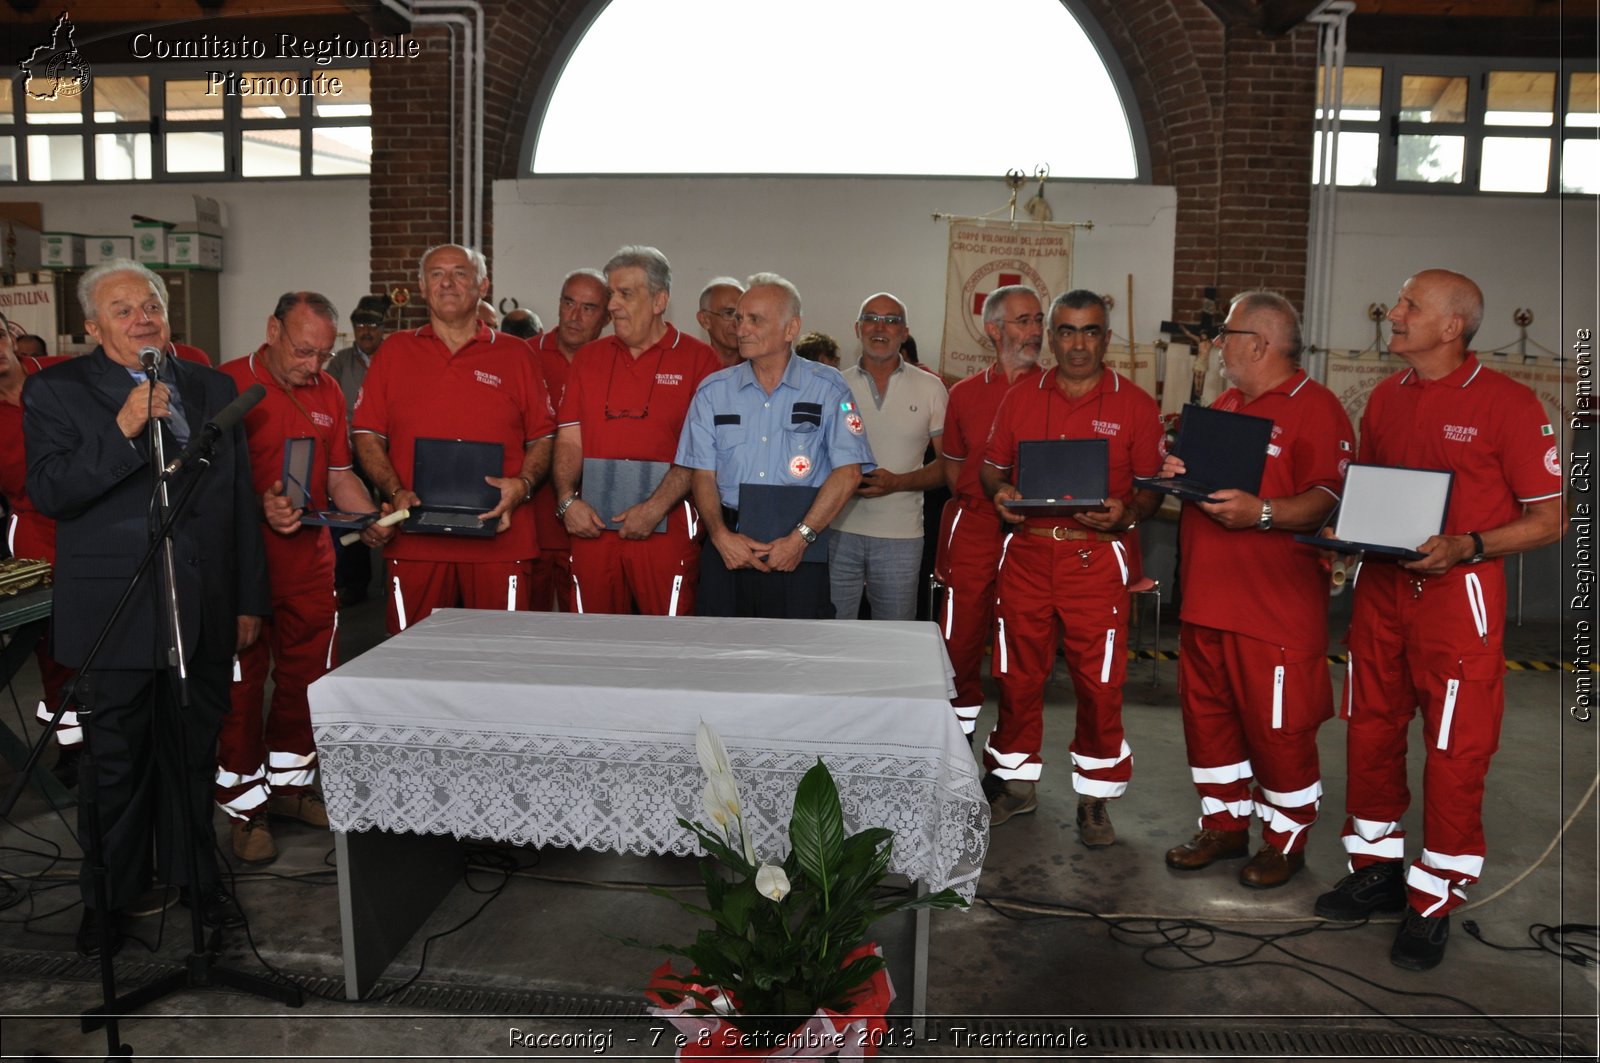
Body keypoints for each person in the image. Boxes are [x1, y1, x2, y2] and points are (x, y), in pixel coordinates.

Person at [1314, 269, 1562, 971]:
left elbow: (1550, 519)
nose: (1392, 313)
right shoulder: (1387, 398)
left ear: (1452, 326)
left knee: (1456, 749)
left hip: (1460, 599)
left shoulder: (1510, 405)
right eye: (1398, 302)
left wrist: (1469, 546)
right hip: (1383, 592)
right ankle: (1377, 867)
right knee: (1370, 729)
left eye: (1409, 306)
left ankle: (1432, 899)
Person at [23, 260, 270, 958]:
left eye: (152, 304)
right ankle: (109, 899)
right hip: (116, 607)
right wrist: (123, 427)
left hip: (204, 608)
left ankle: (198, 883)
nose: (142, 317)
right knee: (115, 765)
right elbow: (51, 491)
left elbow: (237, 502)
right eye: (123, 308)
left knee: (192, 757)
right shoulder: (57, 391)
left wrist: (249, 596)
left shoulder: (211, 386)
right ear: (93, 327)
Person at [1160, 292, 1354, 889]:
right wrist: (1177, 472)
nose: (1218, 344)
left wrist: (1264, 513)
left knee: (1280, 731)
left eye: (1226, 334)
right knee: (1207, 719)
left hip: (1273, 613)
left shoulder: (1316, 408)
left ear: (1260, 343)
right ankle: (1223, 826)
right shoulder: (1225, 403)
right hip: (1207, 606)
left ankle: (1285, 841)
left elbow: (1329, 498)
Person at [215, 292, 397, 865]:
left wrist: (368, 515)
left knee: (308, 682)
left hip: (311, 566)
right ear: (271, 329)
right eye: (302, 351)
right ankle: (246, 810)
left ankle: (290, 787)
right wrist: (258, 508)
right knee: (242, 688)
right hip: (243, 568)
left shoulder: (327, 391)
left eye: (323, 353)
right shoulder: (226, 388)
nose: (313, 365)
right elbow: (205, 493)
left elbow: (340, 473)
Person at [980, 289, 1162, 838]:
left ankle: (1095, 797)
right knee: (1016, 674)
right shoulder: (1021, 397)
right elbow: (992, 470)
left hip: (1096, 559)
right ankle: (1015, 784)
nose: (1077, 344)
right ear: (1050, 336)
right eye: (1066, 331)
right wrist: (1003, 491)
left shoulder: (1134, 404)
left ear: (1107, 338)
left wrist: (1127, 512)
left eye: (1089, 332)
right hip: (1029, 553)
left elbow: (1152, 489)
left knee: (1100, 682)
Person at [352, 244, 556, 633]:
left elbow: (544, 436)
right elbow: (366, 433)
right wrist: (394, 490)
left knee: (500, 662)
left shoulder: (517, 355)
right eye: (436, 274)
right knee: (412, 662)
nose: (447, 282)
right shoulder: (394, 352)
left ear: (482, 285)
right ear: (422, 288)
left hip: (501, 540)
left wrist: (524, 485)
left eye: (460, 273)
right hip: (415, 540)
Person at [678, 273, 875, 619]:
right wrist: (721, 536)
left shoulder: (828, 388)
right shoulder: (713, 392)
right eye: (739, 318)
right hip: (727, 550)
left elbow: (849, 472)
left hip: (800, 553)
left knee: (798, 660)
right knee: (720, 658)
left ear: (790, 329)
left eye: (755, 319)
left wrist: (800, 539)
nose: (740, 329)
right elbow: (702, 473)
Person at [551, 246, 720, 616]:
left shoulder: (698, 360)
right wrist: (566, 502)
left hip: (669, 528)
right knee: (593, 643)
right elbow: (569, 439)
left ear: (660, 300)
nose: (612, 305)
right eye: (611, 294)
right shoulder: (588, 358)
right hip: (592, 528)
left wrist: (655, 508)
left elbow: (703, 451)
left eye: (626, 294)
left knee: (668, 645)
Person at [936, 285, 1044, 740]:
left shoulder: (1053, 392)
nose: (1035, 331)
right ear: (993, 329)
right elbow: (955, 466)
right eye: (1024, 321)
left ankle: (1013, 761)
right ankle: (956, 736)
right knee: (958, 637)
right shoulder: (963, 393)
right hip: (976, 524)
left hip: (1035, 530)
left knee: (1021, 640)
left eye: (1039, 320)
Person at [829, 293, 947, 621]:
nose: (880, 327)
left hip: (902, 538)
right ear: (857, 328)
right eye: (871, 318)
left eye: (892, 320)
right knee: (829, 636)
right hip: (837, 531)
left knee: (894, 639)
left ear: (904, 332)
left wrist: (898, 483)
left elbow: (948, 467)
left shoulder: (931, 388)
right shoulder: (833, 385)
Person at [1, 317, 79, 784]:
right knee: (54, 645)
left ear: (10, 335)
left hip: (95, 518)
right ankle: (72, 746)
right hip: (35, 529)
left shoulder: (63, 372)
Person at [526, 269, 610, 611]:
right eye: (569, 303)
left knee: (588, 630)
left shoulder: (615, 361)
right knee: (526, 630)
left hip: (595, 524)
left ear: (606, 317)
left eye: (588, 308)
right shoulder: (524, 355)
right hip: (531, 524)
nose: (575, 316)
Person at [326, 293, 391, 604]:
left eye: (373, 325)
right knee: (355, 516)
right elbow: (328, 402)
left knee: (397, 514)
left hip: (390, 452)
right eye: (361, 324)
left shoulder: (394, 359)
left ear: (383, 329)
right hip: (352, 452)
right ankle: (355, 585)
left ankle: (394, 578)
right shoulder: (339, 363)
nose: (366, 330)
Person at [697, 277, 744, 369]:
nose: (737, 324)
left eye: (741, 316)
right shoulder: (694, 369)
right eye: (729, 313)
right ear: (705, 320)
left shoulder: (761, 369)